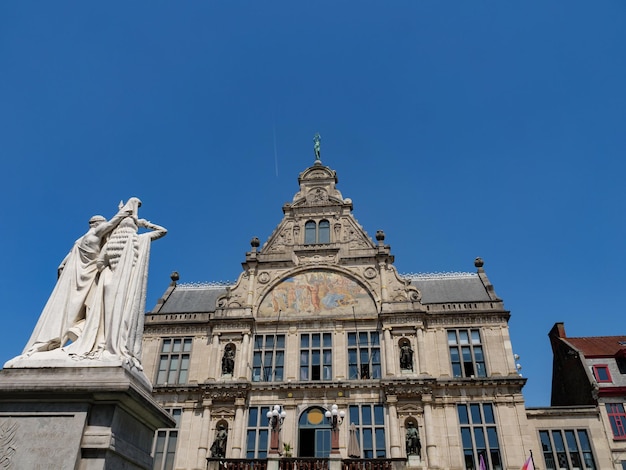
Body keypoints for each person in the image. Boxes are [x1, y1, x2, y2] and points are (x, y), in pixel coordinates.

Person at [66, 198, 166, 369]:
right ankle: (111, 345)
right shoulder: (138, 241)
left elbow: (100, 263)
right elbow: (163, 230)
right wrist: (144, 224)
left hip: (107, 281)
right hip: (123, 284)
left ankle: (102, 343)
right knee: (119, 315)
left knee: (106, 315)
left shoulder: (111, 243)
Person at [21, 206, 131, 357]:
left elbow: (61, 266)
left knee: (68, 312)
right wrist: (128, 208)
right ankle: (85, 340)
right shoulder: (95, 235)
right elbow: (112, 223)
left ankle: (58, 340)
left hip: (74, 281)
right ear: (97, 224)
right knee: (90, 309)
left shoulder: (79, 242)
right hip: (88, 279)